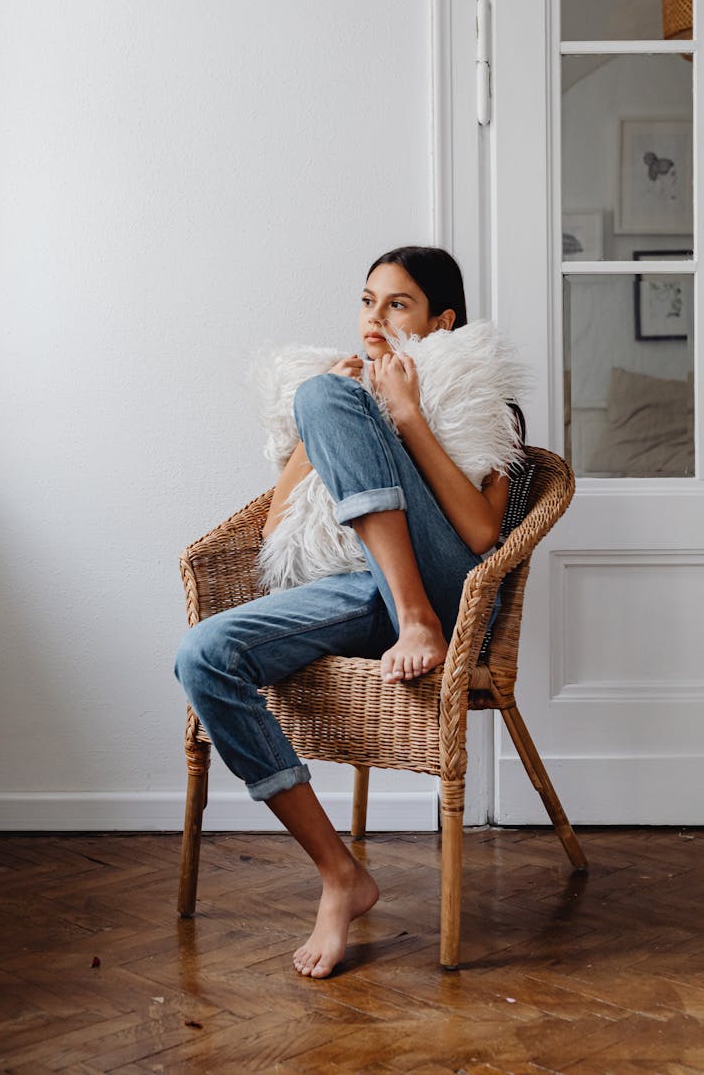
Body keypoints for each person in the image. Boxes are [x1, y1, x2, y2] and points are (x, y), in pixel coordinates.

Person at [174, 246, 513, 979]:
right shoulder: (341, 389)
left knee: (327, 398)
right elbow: (272, 535)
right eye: (368, 300)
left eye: (397, 304)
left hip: (443, 589)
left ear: (441, 319)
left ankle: (416, 615)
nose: (374, 318)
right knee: (200, 655)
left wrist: (409, 415)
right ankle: (339, 874)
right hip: (361, 590)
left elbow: (485, 536)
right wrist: (313, 424)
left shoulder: (478, 394)